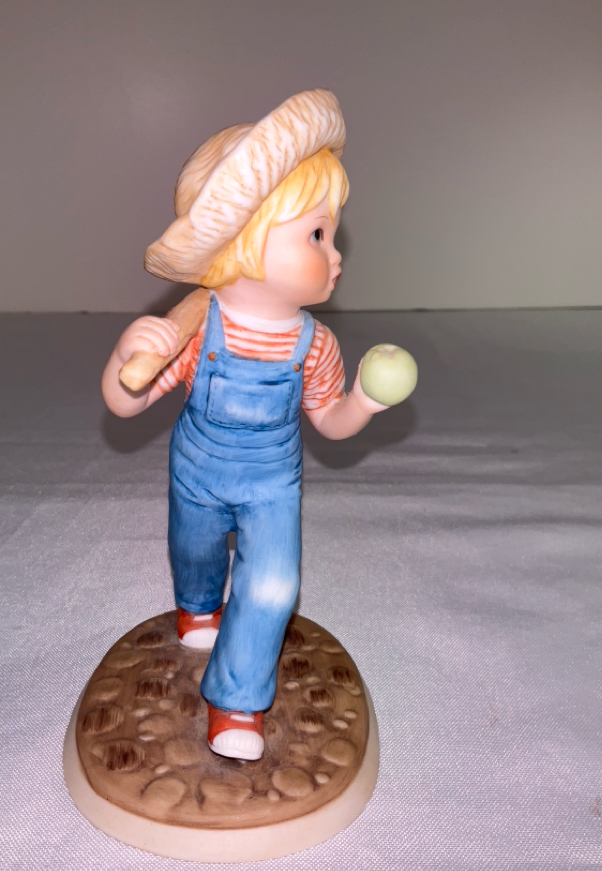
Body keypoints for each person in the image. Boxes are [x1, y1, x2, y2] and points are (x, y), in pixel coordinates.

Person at [101, 90, 389, 761]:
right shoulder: (196, 329)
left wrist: (364, 402)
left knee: (273, 585)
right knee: (196, 551)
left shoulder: (315, 346)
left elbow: (330, 420)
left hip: (272, 485)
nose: (337, 254)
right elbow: (126, 405)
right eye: (317, 235)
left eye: (333, 235)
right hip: (197, 473)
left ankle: (236, 702)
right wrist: (123, 360)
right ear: (244, 241)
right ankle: (198, 605)